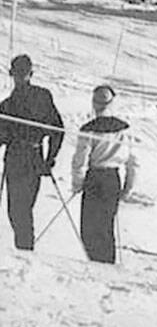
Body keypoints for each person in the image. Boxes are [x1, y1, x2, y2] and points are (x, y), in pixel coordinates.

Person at [0, 53, 64, 251]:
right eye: (17, 75)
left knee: (21, 210)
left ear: (30, 74)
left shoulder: (42, 97)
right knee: (17, 210)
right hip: (16, 158)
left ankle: (25, 251)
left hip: (32, 157)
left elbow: (57, 130)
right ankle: (25, 249)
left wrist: (50, 159)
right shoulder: (6, 105)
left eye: (23, 74)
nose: (20, 78)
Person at [70, 84, 137, 264]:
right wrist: (127, 188)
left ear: (94, 103)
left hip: (94, 178)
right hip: (113, 179)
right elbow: (132, 162)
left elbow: (80, 160)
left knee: (90, 229)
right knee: (106, 227)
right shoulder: (124, 128)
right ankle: (108, 264)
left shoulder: (88, 129)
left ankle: (97, 265)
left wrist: (77, 184)